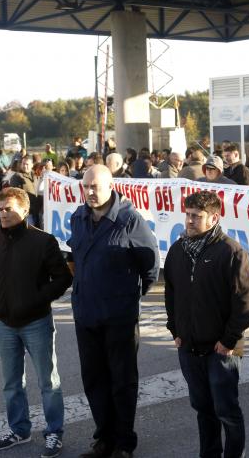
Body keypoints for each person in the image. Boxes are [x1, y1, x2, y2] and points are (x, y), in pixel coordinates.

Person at [67, 165, 159, 458]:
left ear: (110, 186)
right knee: (94, 380)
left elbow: (151, 266)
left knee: (122, 381)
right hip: (86, 314)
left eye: (96, 186)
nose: (91, 192)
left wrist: (129, 297)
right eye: (86, 187)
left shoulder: (129, 220)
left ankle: (123, 443)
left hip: (119, 316)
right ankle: (103, 437)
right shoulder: (78, 218)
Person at [164, 191, 249, 458]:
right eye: (188, 215)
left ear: (214, 218)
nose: (190, 221)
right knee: (203, 411)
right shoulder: (177, 251)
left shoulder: (231, 251)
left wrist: (229, 340)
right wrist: (175, 330)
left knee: (227, 412)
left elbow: (247, 303)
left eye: (197, 216)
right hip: (189, 349)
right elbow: (171, 294)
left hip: (221, 352)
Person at [0, 188, 72, 456]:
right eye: (0, 209)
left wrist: (35, 300)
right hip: (5, 323)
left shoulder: (43, 241)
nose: (3, 213)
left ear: (25, 211)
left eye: (9, 208)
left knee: (48, 382)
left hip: (36, 322)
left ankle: (54, 433)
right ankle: (19, 430)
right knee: (11, 382)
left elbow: (63, 278)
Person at [10, 155, 42, 227]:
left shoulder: (35, 175)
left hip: (37, 210)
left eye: (27, 164)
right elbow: (14, 196)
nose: (25, 166)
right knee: (30, 233)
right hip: (26, 213)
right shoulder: (17, 177)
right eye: (23, 164)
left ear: (32, 165)